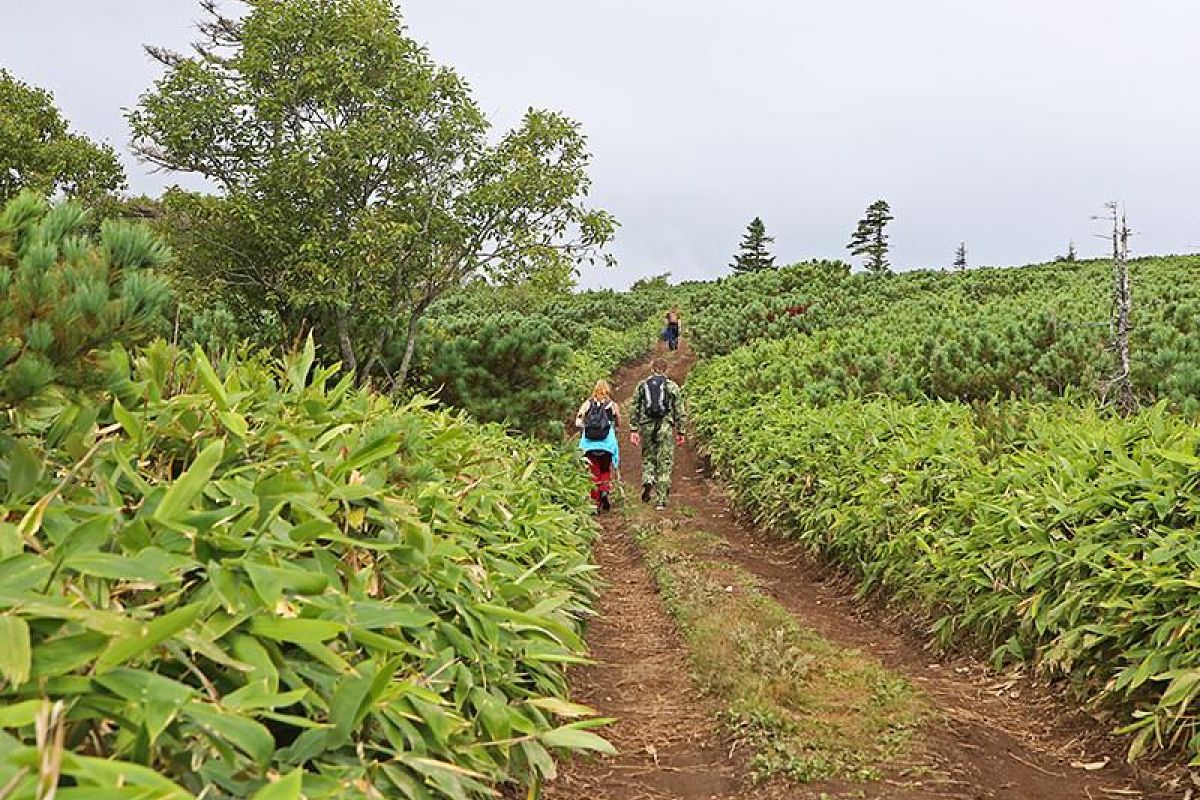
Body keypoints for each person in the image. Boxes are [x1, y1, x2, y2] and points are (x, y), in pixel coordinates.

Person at [630, 358, 685, 510]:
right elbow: (679, 410)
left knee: (648, 457)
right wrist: (681, 431)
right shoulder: (671, 386)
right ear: (666, 370)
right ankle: (661, 500)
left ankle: (648, 479)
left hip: (647, 426)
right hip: (665, 426)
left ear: (652, 369)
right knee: (665, 462)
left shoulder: (643, 385)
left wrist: (633, 429)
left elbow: (634, 406)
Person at [576, 380, 620, 512]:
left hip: (589, 445)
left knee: (594, 472)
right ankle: (604, 491)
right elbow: (618, 420)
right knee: (605, 469)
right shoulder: (611, 404)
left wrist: (586, 426)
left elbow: (578, 421)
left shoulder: (588, 403)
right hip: (607, 444)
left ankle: (595, 502)